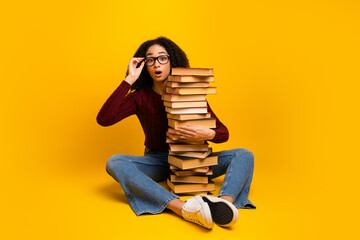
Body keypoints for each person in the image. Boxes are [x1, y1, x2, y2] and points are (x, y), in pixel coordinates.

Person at [96, 36, 255, 229]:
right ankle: (182, 207)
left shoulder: (190, 93)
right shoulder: (140, 97)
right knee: (115, 162)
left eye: (162, 58)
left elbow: (224, 133)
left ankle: (223, 204)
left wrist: (208, 134)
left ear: (172, 62)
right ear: (145, 65)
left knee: (243, 155)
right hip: (159, 160)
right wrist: (129, 79)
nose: (157, 63)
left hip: (194, 160)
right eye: (151, 59)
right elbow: (104, 119)